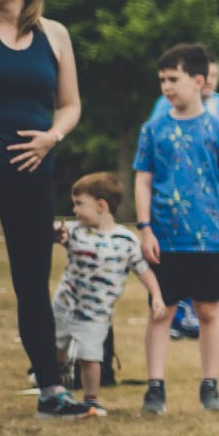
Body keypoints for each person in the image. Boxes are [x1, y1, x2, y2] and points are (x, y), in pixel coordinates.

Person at [0, 0, 88, 426]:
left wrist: (52, 137)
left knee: (32, 283)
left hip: (32, 177)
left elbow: (71, 103)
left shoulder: (54, 35)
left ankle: (52, 392)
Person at [135, 43, 219, 416]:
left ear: (198, 81)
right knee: (160, 312)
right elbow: (143, 182)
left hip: (210, 238)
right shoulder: (153, 130)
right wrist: (145, 228)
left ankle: (210, 386)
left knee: (209, 311)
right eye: (162, 80)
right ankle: (155, 387)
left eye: (173, 79)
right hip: (165, 237)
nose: (166, 87)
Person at [50, 171, 160, 412]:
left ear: (101, 205)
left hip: (96, 314)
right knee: (55, 349)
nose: (75, 210)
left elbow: (143, 270)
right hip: (64, 306)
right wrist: (54, 235)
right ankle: (54, 386)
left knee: (91, 358)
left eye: (79, 204)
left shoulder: (125, 240)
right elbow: (51, 232)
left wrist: (157, 296)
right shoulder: (74, 230)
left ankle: (91, 399)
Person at [145, 52, 219, 169]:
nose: (209, 80)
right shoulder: (168, 103)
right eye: (206, 75)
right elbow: (151, 141)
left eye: (214, 76)